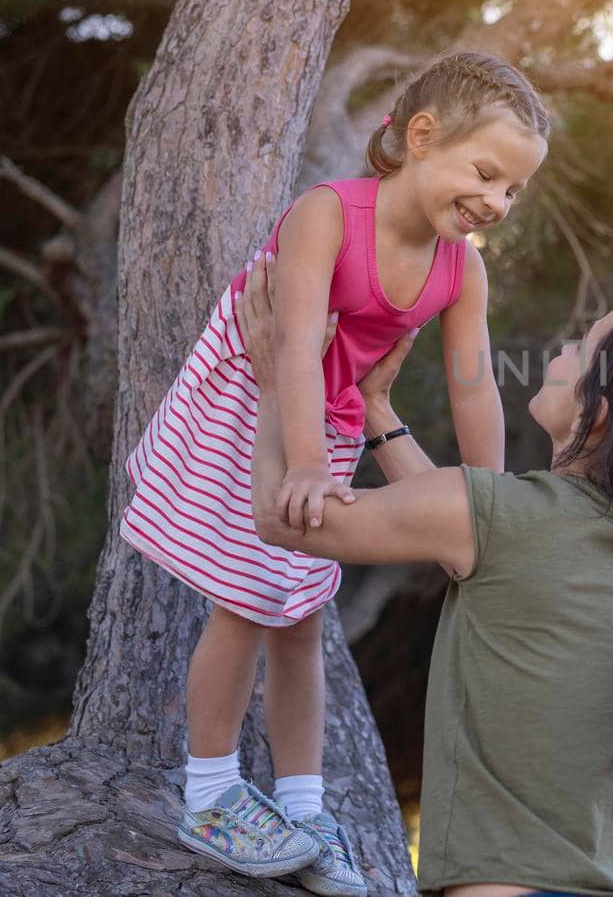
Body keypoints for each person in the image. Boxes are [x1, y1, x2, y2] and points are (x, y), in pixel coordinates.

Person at [118, 51, 550, 895]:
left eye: (513, 193)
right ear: (422, 137)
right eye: (488, 174)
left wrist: (492, 500)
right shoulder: (328, 216)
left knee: (302, 619)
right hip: (252, 400)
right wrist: (308, 463)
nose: (496, 203)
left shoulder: (464, 268)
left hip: (332, 416)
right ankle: (208, 797)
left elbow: (473, 387)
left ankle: (304, 808)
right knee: (245, 601)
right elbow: (289, 346)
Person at [238, 252, 613, 897]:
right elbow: (467, 537)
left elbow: (282, 519)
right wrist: (375, 410)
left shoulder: (506, 520)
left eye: (583, 345)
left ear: (597, 412)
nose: (563, 347)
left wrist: (278, 377)